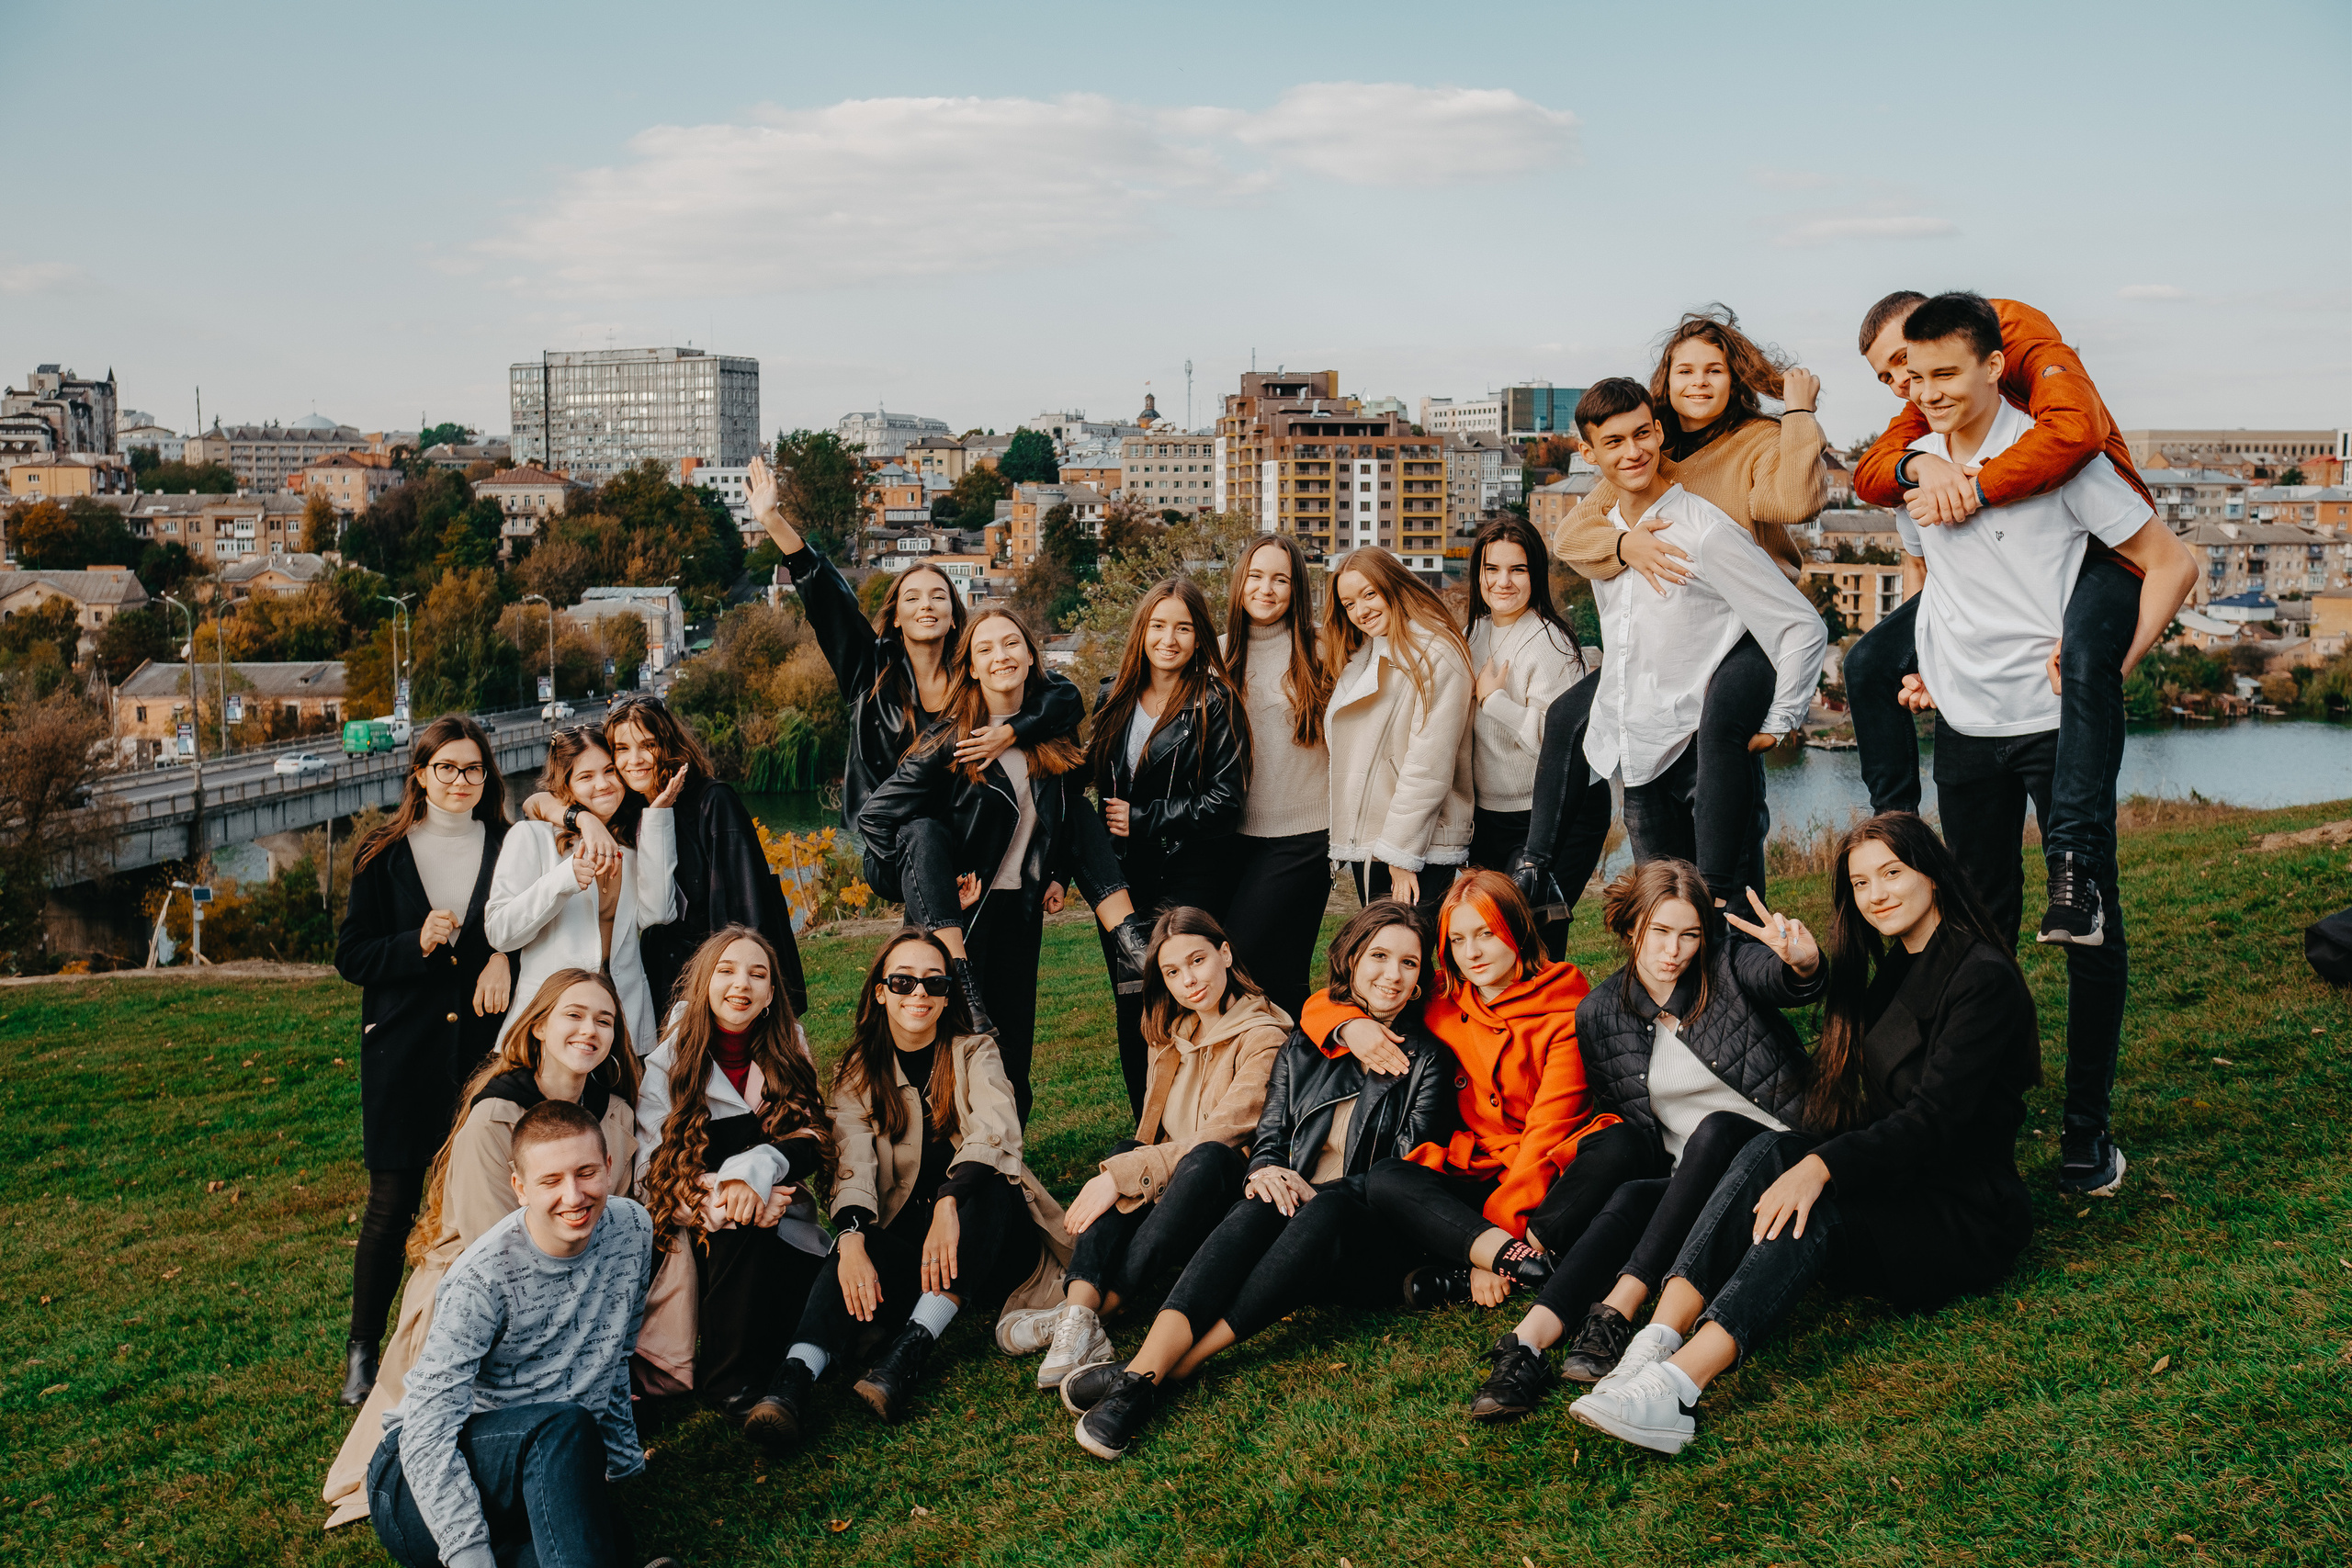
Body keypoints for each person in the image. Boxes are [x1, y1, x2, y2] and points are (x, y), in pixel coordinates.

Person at [1567, 812, 2039, 1457]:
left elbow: (1933, 1123)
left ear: (1932, 872)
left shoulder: (1981, 976)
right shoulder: (1899, 963)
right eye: (1862, 881)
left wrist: (1822, 1168)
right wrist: (1798, 1156)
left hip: (1961, 1212)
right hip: (1903, 1181)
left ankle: (1676, 1388)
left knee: (1812, 1209)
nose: (1877, 893)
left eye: (1893, 873)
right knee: (1763, 1141)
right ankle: (1655, 1340)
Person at [1863, 291, 2194, 1196]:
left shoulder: (2063, 460)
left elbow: (2171, 564)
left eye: (1942, 373)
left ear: (1987, 365)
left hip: (2052, 726)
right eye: (1911, 377)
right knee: (1976, 941)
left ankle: (2085, 1133)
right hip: (1966, 732)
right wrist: (1927, 662)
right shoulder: (1915, 467)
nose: (1924, 391)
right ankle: (1983, 1117)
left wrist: (2107, 665)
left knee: (2086, 926)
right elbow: (1934, 579)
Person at [1056, 900, 1453, 1461]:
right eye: (1378, 957)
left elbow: (1403, 1172)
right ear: (1351, 961)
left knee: (1314, 1207)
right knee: (1262, 1197)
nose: (1392, 975)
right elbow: (1270, 1135)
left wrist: (1316, 1190)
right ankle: (1141, 1379)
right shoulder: (1305, 1046)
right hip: (1292, 1211)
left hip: (1365, 1236)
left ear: (1419, 984)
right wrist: (1268, 1168)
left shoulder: (1428, 1061)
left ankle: (1172, 1367)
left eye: (1409, 965)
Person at [1463, 860, 1823, 1423]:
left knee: (1715, 1129)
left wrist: (1802, 963)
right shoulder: (1601, 1014)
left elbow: (1781, 978)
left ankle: (1616, 1311)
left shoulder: (1728, 967)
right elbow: (1626, 1120)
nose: (1673, 950)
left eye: (1689, 934)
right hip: (1697, 1184)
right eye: (1659, 931)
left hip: (1781, 1161)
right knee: (1632, 1196)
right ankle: (1523, 1348)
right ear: (1631, 930)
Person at [1516, 308, 1826, 919]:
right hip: (1675, 625)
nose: (1699, 382)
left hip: (1749, 624)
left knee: (1720, 735)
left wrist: (1798, 410)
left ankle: (1721, 894)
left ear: (1735, 378)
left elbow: (1793, 499)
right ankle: (1541, 870)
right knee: (1575, 717)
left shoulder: (1757, 441)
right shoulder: (1648, 452)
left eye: (1714, 369)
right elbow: (1575, 537)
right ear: (1665, 385)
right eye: (1685, 370)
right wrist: (1626, 546)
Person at [322, 971, 643, 1531]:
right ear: (539, 1026)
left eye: (604, 1019)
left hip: (579, 1260)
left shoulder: (612, 1111)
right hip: (482, 1275)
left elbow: (616, 1209)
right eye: (574, 1015)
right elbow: (488, 1241)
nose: (589, 1030)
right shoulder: (496, 1113)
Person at [742, 930, 1072, 1445]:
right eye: (903, 981)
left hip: (993, 1241)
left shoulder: (975, 1051)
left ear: (946, 995)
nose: (918, 993)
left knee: (986, 1187)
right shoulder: (857, 1071)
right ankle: (793, 1381)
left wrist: (949, 1201)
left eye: (933, 983)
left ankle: (909, 1351)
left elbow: (996, 1127)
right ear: (880, 991)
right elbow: (850, 1160)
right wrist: (849, 1238)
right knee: (858, 1242)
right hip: (917, 1249)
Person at [857, 606, 1155, 1122]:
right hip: (962, 915)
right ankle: (959, 985)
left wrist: (1057, 871)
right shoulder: (952, 740)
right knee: (952, 1046)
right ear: (969, 667)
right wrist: (926, 885)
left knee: (1013, 1054)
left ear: (1031, 654)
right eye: (986, 649)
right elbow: (876, 817)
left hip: (1020, 908)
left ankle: (1135, 948)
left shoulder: (1053, 726)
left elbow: (1061, 806)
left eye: (1012, 643)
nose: (1001, 656)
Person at [366, 1098, 673, 1568]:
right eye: (551, 1180)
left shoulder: (632, 1230)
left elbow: (612, 1356)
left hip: (541, 1472)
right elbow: (428, 1431)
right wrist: (468, 1555)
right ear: (520, 1187)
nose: (574, 1196)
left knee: (610, 1542)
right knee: (563, 1427)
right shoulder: (484, 1279)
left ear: (610, 1167)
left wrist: (625, 1466)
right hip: (418, 1482)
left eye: (586, 1172)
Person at [998, 907, 1287, 1389]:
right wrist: (1126, 1167)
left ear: (1226, 953)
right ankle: (1079, 1314)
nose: (1189, 980)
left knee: (1184, 1161)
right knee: (1127, 1148)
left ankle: (1096, 1313)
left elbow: (1227, 1134)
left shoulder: (1265, 1037)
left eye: (1198, 961)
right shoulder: (1175, 1033)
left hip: (1227, 1192)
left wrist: (1121, 1176)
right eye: (1173, 972)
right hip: (1175, 1184)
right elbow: (1150, 1138)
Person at [743, 450, 1086, 843]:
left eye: (938, 597)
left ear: (954, 615)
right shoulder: (868, 670)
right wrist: (772, 520)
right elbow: (828, 599)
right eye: (913, 598)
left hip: (965, 835)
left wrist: (1009, 732)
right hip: (889, 839)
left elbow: (1064, 696)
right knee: (922, 839)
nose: (926, 605)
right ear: (895, 617)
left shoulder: (974, 673)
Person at [1311, 871, 1619, 1299]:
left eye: (1486, 934)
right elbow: (1326, 1001)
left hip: (1543, 1171)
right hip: (1476, 1165)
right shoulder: (1444, 994)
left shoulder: (1565, 1009)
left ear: (1516, 929)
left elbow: (1547, 1130)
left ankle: (1490, 1258)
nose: (1471, 953)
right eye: (1457, 940)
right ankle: (1518, 1260)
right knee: (1387, 1179)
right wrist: (1350, 1027)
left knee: (1620, 1146)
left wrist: (1497, 1237)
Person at [333, 716, 513, 1406]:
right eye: (447, 769)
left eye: (473, 769)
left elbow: (528, 922)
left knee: (481, 1196)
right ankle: (362, 1350)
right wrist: (415, 943)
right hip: (402, 1051)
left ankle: (476, 1340)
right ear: (420, 774)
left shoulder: (506, 845)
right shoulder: (383, 854)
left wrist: (501, 954)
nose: (461, 781)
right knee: (392, 1201)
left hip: (480, 1048)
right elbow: (353, 956)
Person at [631, 927, 831, 1413]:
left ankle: (784, 1363)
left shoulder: (787, 1048)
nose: (740, 984)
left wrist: (761, 1178)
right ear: (703, 983)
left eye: (756, 974)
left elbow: (813, 1138)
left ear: (769, 994)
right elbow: (650, 1172)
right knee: (740, 1228)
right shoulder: (668, 1063)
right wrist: (732, 1199)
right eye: (726, 971)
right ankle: (729, 1383)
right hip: (700, 1236)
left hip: (783, 1223)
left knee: (843, 1313)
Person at [521, 693, 808, 1021]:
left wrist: (737, 987)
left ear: (668, 744)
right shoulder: (627, 808)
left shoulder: (711, 801)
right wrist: (582, 819)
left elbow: (745, 908)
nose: (635, 759)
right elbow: (535, 803)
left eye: (649, 745)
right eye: (622, 750)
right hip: (660, 977)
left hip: (715, 976)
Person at [1088, 580, 1250, 1111]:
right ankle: (1146, 1127)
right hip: (1122, 881)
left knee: (1187, 996)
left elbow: (1227, 802)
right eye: (1158, 625)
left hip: (1190, 874)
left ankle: (1196, 1121)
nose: (1169, 638)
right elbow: (1085, 779)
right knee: (1131, 1001)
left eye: (1183, 627)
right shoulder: (1111, 695)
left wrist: (1146, 817)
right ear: (1141, 631)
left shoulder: (1214, 702)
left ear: (1199, 636)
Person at [486, 724, 684, 1063]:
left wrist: (658, 814)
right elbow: (499, 933)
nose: (603, 784)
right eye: (586, 776)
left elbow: (659, 913)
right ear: (565, 786)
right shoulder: (532, 837)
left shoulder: (632, 846)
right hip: (548, 1029)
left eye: (609, 771)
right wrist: (563, 880)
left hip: (624, 1029)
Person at [1213, 533, 1335, 1021]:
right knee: (1279, 977)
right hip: (1232, 835)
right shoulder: (1215, 654)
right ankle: (1277, 1085)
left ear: (1296, 588)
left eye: (1280, 579)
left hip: (1304, 835)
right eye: (1257, 576)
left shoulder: (1323, 647)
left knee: (1237, 958)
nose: (1266, 589)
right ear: (1240, 581)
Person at [1323, 546, 1476, 930]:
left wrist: (1401, 856)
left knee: (1408, 962)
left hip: (1413, 846)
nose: (1360, 610)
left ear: (1394, 585)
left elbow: (1429, 764)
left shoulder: (1437, 654)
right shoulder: (1364, 657)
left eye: (1369, 594)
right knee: (1384, 960)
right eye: (1349, 603)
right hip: (1371, 842)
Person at [1461, 513, 1590, 955]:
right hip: (1490, 813)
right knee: (1490, 937)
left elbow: (1563, 745)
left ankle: (1551, 1022)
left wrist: (1496, 702)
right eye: (1491, 569)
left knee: (1534, 938)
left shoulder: (1551, 645)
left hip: (1551, 815)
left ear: (1536, 574)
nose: (1503, 582)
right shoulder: (1473, 633)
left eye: (1518, 569)